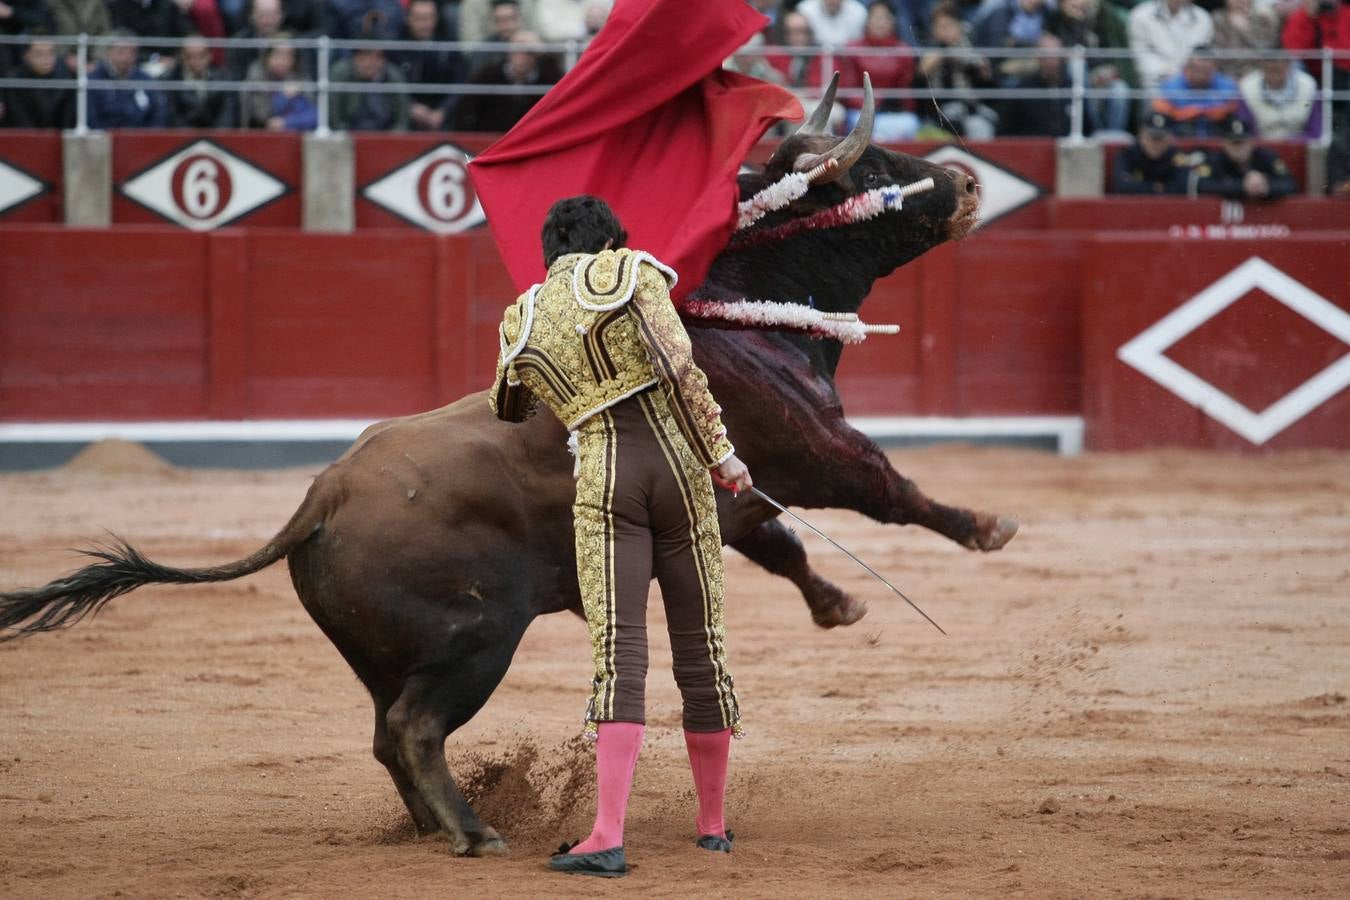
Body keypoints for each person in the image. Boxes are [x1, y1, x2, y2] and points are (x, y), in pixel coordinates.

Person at [490, 195, 749, 879]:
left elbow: (508, 406)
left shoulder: (521, 316)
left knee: (619, 651)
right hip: (679, 471)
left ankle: (607, 835)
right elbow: (678, 364)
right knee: (700, 646)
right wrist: (722, 453)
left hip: (604, 479)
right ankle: (713, 827)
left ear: (551, 252)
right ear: (610, 241)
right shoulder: (632, 273)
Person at [452, 30, 562, 131]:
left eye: (529, 52)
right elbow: (465, 109)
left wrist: (543, 50)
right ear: (509, 51)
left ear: (537, 56)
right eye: (517, 50)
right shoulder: (488, 74)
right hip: (492, 140)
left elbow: (561, 84)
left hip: (531, 138)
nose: (522, 57)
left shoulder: (547, 76)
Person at [840, 1, 918, 141]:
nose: (880, 22)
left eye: (885, 17)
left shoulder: (904, 51)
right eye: (876, 17)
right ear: (868, 21)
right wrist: (873, 105)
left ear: (893, 22)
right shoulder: (852, 49)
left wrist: (895, 105)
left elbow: (906, 91)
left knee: (910, 123)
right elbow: (849, 89)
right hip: (861, 111)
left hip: (893, 113)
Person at [919, 3, 998, 139]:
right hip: (940, 113)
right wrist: (925, 68)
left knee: (981, 126)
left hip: (971, 110)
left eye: (949, 26)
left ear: (959, 27)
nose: (945, 31)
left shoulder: (969, 50)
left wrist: (984, 72)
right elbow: (918, 84)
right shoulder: (930, 52)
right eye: (941, 27)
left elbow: (988, 85)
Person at [389, 0, 464, 130]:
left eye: (430, 17)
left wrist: (443, 111)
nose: (425, 24)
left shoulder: (449, 47)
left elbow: (460, 83)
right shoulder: (396, 48)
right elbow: (389, 84)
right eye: (420, 18)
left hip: (444, 118)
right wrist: (410, 106)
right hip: (406, 116)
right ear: (408, 19)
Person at [1195, 115, 1296, 198]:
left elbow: (1290, 185)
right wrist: (1242, 186)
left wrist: (1265, 187)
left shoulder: (1266, 157)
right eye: (1234, 143)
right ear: (1224, 144)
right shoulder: (1214, 160)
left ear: (1252, 143)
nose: (1239, 148)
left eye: (1243, 142)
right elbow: (1201, 186)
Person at [88, 31, 169, 128]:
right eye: (121, 51)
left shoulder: (146, 80)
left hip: (141, 139)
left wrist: (147, 138)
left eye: (132, 52)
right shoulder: (93, 80)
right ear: (108, 52)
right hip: (106, 138)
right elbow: (91, 118)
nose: (126, 57)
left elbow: (158, 115)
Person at [1128, 0, 1214, 91]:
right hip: (1155, 81)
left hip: (1194, 81)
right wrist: (1169, 73)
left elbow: (1202, 55)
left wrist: (1186, 75)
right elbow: (1141, 55)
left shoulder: (1203, 17)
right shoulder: (1140, 15)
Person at [1152, 48, 1239, 136]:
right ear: (1188, 67)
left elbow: (1233, 109)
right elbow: (1161, 109)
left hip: (1216, 133)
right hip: (1180, 135)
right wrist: (1190, 113)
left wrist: (1205, 112)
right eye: (1197, 70)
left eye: (1206, 71)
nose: (1201, 75)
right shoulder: (1170, 86)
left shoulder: (1228, 86)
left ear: (1214, 69)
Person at [999, 32, 1072, 136]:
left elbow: (1087, 127)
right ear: (1038, 58)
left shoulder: (1072, 89)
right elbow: (1003, 132)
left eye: (1055, 56)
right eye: (1046, 56)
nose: (1051, 62)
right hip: (1029, 149)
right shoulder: (1022, 91)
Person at [329, 39, 410, 131]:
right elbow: (333, 115)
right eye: (364, 57)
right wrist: (344, 135)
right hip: (350, 133)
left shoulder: (393, 75)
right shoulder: (341, 73)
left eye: (376, 57)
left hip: (385, 135)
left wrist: (394, 137)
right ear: (354, 58)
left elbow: (402, 117)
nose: (370, 62)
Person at [1237, 54, 1321, 140]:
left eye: (1277, 70)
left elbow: (1315, 132)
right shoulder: (1247, 86)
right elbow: (1247, 131)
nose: (1273, 75)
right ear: (1261, 67)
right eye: (1269, 70)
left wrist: (1290, 143)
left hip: (1300, 147)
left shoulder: (1308, 84)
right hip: (1261, 146)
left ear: (1288, 65)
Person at [240, 38, 317, 129]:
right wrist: (283, 97)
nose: (283, 61)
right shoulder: (256, 76)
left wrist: (287, 122)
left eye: (288, 56)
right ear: (267, 57)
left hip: (294, 133)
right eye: (278, 55)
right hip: (259, 133)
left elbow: (315, 116)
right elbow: (261, 116)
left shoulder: (299, 78)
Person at [2, 37, 76, 129]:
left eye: (50, 53)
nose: (46, 59)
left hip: (56, 138)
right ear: (26, 55)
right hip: (23, 138)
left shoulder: (66, 79)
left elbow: (67, 121)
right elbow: (19, 119)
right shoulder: (13, 81)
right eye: (39, 54)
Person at [1111, 110, 1195, 192]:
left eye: (1161, 138)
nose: (1156, 144)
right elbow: (1122, 185)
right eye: (1151, 138)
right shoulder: (1128, 155)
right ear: (1141, 136)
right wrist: (1155, 187)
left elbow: (1185, 186)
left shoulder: (1176, 156)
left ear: (1169, 139)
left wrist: (1142, 186)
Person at [167, 33, 234, 127]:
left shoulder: (224, 79)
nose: (196, 61)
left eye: (202, 55)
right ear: (182, 57)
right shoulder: (172, 81)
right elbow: (174, 117)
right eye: (190, 56)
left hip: (218, 138)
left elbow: (227, 115)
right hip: (183, 138)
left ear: (210, 55)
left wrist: (216, 138)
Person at [1210, 0, 1278, 79]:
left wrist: (1245, 31)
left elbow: (1266, 50)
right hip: (1227, 72)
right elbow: (1219, 53)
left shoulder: (1263, 18)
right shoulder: (1218, 19)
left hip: (1258, 73)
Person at [796, 0, 868, 46]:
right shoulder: (804, 9)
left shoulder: (859, 12)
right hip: (812, 59)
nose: (833, 1)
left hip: (848, 60)